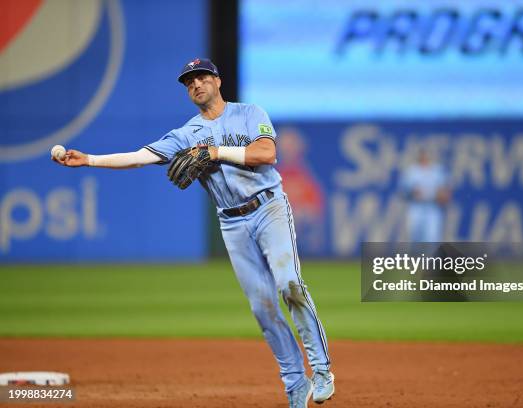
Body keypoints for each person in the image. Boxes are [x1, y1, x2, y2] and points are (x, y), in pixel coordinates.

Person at [52, 58, 334, 407]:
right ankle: (295, 382)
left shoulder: (249, 113)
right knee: (262, 307)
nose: (195, 84)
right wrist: (91, 159)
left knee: (288, 283)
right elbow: (140, 156)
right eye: (189, 82)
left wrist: (214, 151)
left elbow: (267, 153)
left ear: (217, 81)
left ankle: (321, 369)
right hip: (231, 222)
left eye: (201, 77)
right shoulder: (186, 134)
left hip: (268, 208)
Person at [399, 149, 451, 242]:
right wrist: (413, 193)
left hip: (433, 208)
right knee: (415, 238)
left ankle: (431, 256)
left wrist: (442, 196)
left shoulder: (437, 170)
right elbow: (403, 192)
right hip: (416, 208)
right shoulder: (413, 171)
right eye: (423, 156)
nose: (425, 158)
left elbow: (446, 192)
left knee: (432, 238)